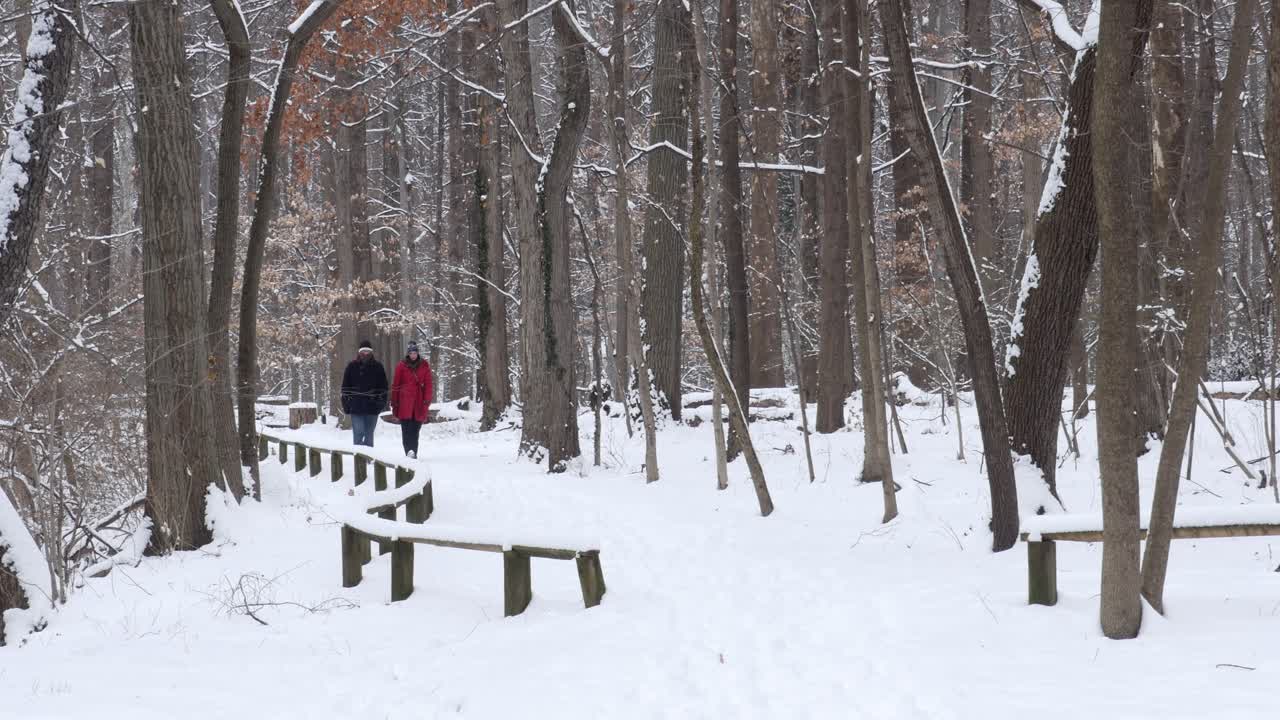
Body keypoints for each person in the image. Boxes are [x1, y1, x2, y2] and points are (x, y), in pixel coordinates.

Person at [341, 340, 388, 447]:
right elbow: (345, 388)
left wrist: (380, 404)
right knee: (358, 434)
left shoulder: (378, 367)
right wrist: (347, 405)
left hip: (372, 408)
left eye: (367, 351)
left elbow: (384, 388)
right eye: (363, 351)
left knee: (369, 435)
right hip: (356, 408)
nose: (365, 353)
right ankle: (359, 461)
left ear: (371, 352)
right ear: (359, 352)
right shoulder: (351, 366)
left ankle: (369, 461)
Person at [390, 341, 433, 458]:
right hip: (404, 403)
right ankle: (408, 452)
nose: (413, 355)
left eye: (415, 353)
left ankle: (413, 453)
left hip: (419, 403)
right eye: (411, 353)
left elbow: (429, 385)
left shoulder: (424, 365)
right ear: (408, 354)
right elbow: (396, 385)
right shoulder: (401, 366)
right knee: (406, 431)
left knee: (415, 431)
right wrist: (395, 402)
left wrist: (426, 401)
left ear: (417, 353)